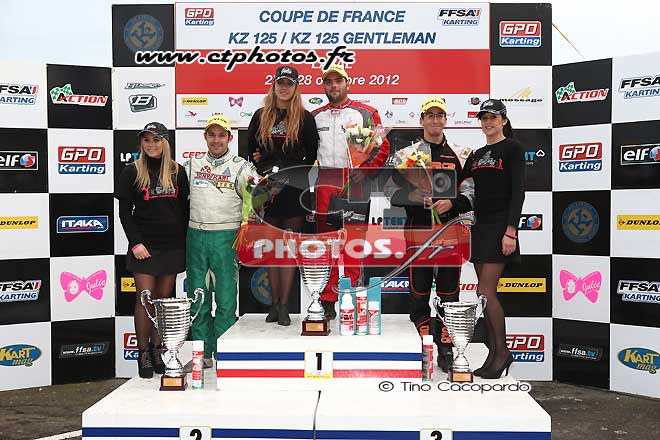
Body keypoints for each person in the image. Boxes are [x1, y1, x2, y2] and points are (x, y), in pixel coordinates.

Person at [390, 97, 475, 373]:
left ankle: (446, 348)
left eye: (440, 115)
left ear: (446, 120)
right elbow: (392, 194)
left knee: (449, 292)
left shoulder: (461, 154)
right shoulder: (406, 155)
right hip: (418, 232)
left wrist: (452, 203)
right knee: (419, 291)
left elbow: (471, 192)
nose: (435, 120)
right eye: (430, 115)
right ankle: (423, 344)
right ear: (422, 120)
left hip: (450, 231)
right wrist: (413, 196)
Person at [312, 64, 390, 319]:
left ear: (348, 83)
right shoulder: (314, 116)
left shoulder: (366, 112)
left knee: (353, 244)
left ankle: (354, 295)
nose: (334, 86)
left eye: (338, 81)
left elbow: (382, 145)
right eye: (329, 82)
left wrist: (366, 169)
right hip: (326, 181)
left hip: (355, 181)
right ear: (324, 86)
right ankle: (327, 300)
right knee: (328, 244)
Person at [183, 114, 259, 371]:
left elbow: (254, 202)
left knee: (226, 301)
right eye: (212, 135)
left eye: (221, 135)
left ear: (230, 137)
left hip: (226, 237)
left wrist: (247, 231)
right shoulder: (191, 165)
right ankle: (202, 354)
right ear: (205, 137)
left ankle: (225, 355)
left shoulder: (242, 167)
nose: (216, 140)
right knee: (197, 299)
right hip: (195, 236)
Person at [115, 122, 190, 378]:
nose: (151, 145)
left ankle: (158, 350)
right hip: (144, 246)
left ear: (165, 142)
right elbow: (124, 212)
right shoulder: (132, 171)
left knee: (163, 301)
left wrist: (183, 242)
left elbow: (184, 211)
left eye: (156, 140)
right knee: (145, 298)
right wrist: (135, 243)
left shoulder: (177, 171)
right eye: (146, 140)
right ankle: (143, 353)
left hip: (172, 245)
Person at [247, 65, 319, 326]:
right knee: (271, 250)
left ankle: (285, 306)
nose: (284, 88)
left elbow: (310, 157)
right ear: (274, 85)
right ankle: (274, 305)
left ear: (296, 87)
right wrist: (265, 169)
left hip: (294, 191)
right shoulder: (260, 115)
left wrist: (285, 170)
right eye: (281, 83)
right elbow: (251, 152)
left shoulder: (305, 118)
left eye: (289, 84)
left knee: (287, 250)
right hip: (267, 191)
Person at [469, 99, 525, 379]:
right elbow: (466, 190)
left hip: (500, 228)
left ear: (503, 120)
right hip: (479, 228)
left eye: (493, 117)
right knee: (483, 294)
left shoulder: (513, 148)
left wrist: (511, 230)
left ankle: (502, 352)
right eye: (484, 117)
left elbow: (518, 192)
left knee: (485, 291)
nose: (488, 122)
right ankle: (493, 353)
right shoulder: (476, 154)